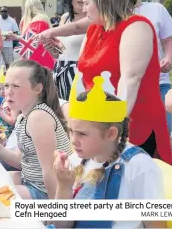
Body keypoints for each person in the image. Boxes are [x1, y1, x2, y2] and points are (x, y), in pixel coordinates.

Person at [77, 0, 172, 164]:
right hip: (99, 122)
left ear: (103, 1)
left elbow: (131, 79)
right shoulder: (94, 29)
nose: (83, 8)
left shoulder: (136, 26)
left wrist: (116, 125)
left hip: (133, 122)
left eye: (87, 3)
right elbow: (83, 72)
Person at [52, 73, 164, 229]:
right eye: (70, 131)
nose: (73, 140)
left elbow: (156, 224)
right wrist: (64, 185)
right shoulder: (77, 160)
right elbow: (61, 226)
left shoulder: (138, 165)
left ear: (111, 134)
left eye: (82, 134)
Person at [0, 59, 72, 199]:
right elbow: (21, 160)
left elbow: (50, 171)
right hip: (30, 181)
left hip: (45, 192)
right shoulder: (24, 116)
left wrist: (54, 214)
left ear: (37, 89)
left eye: (16, 86)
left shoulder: (38, 117)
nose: (7, 92)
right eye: (6, 85)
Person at [120, 0, 172, 135]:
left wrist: (168, 58)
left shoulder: (156, 9)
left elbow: (168, 41)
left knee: (161, 131)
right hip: (126, 82)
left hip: (158, 81)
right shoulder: (115, 14)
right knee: (128, 133)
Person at [51, 0, 91, 100]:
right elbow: (61, 53)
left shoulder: (95, 19)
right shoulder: (65, 17)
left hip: (82, 75)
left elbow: (77, 28)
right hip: (60, 72)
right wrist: (53, 50)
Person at [7, 0, 55, 70]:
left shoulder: (37, 22)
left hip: (37, 60)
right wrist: (16, 37)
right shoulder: (43, 19)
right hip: (45, 57)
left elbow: (30, 40)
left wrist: (16, 37)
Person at [0, 67, 20, 140]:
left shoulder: (14, 101)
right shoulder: (4, 100)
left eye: (4, 88)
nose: (2, 91)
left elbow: (13, 122)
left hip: (6, 138)